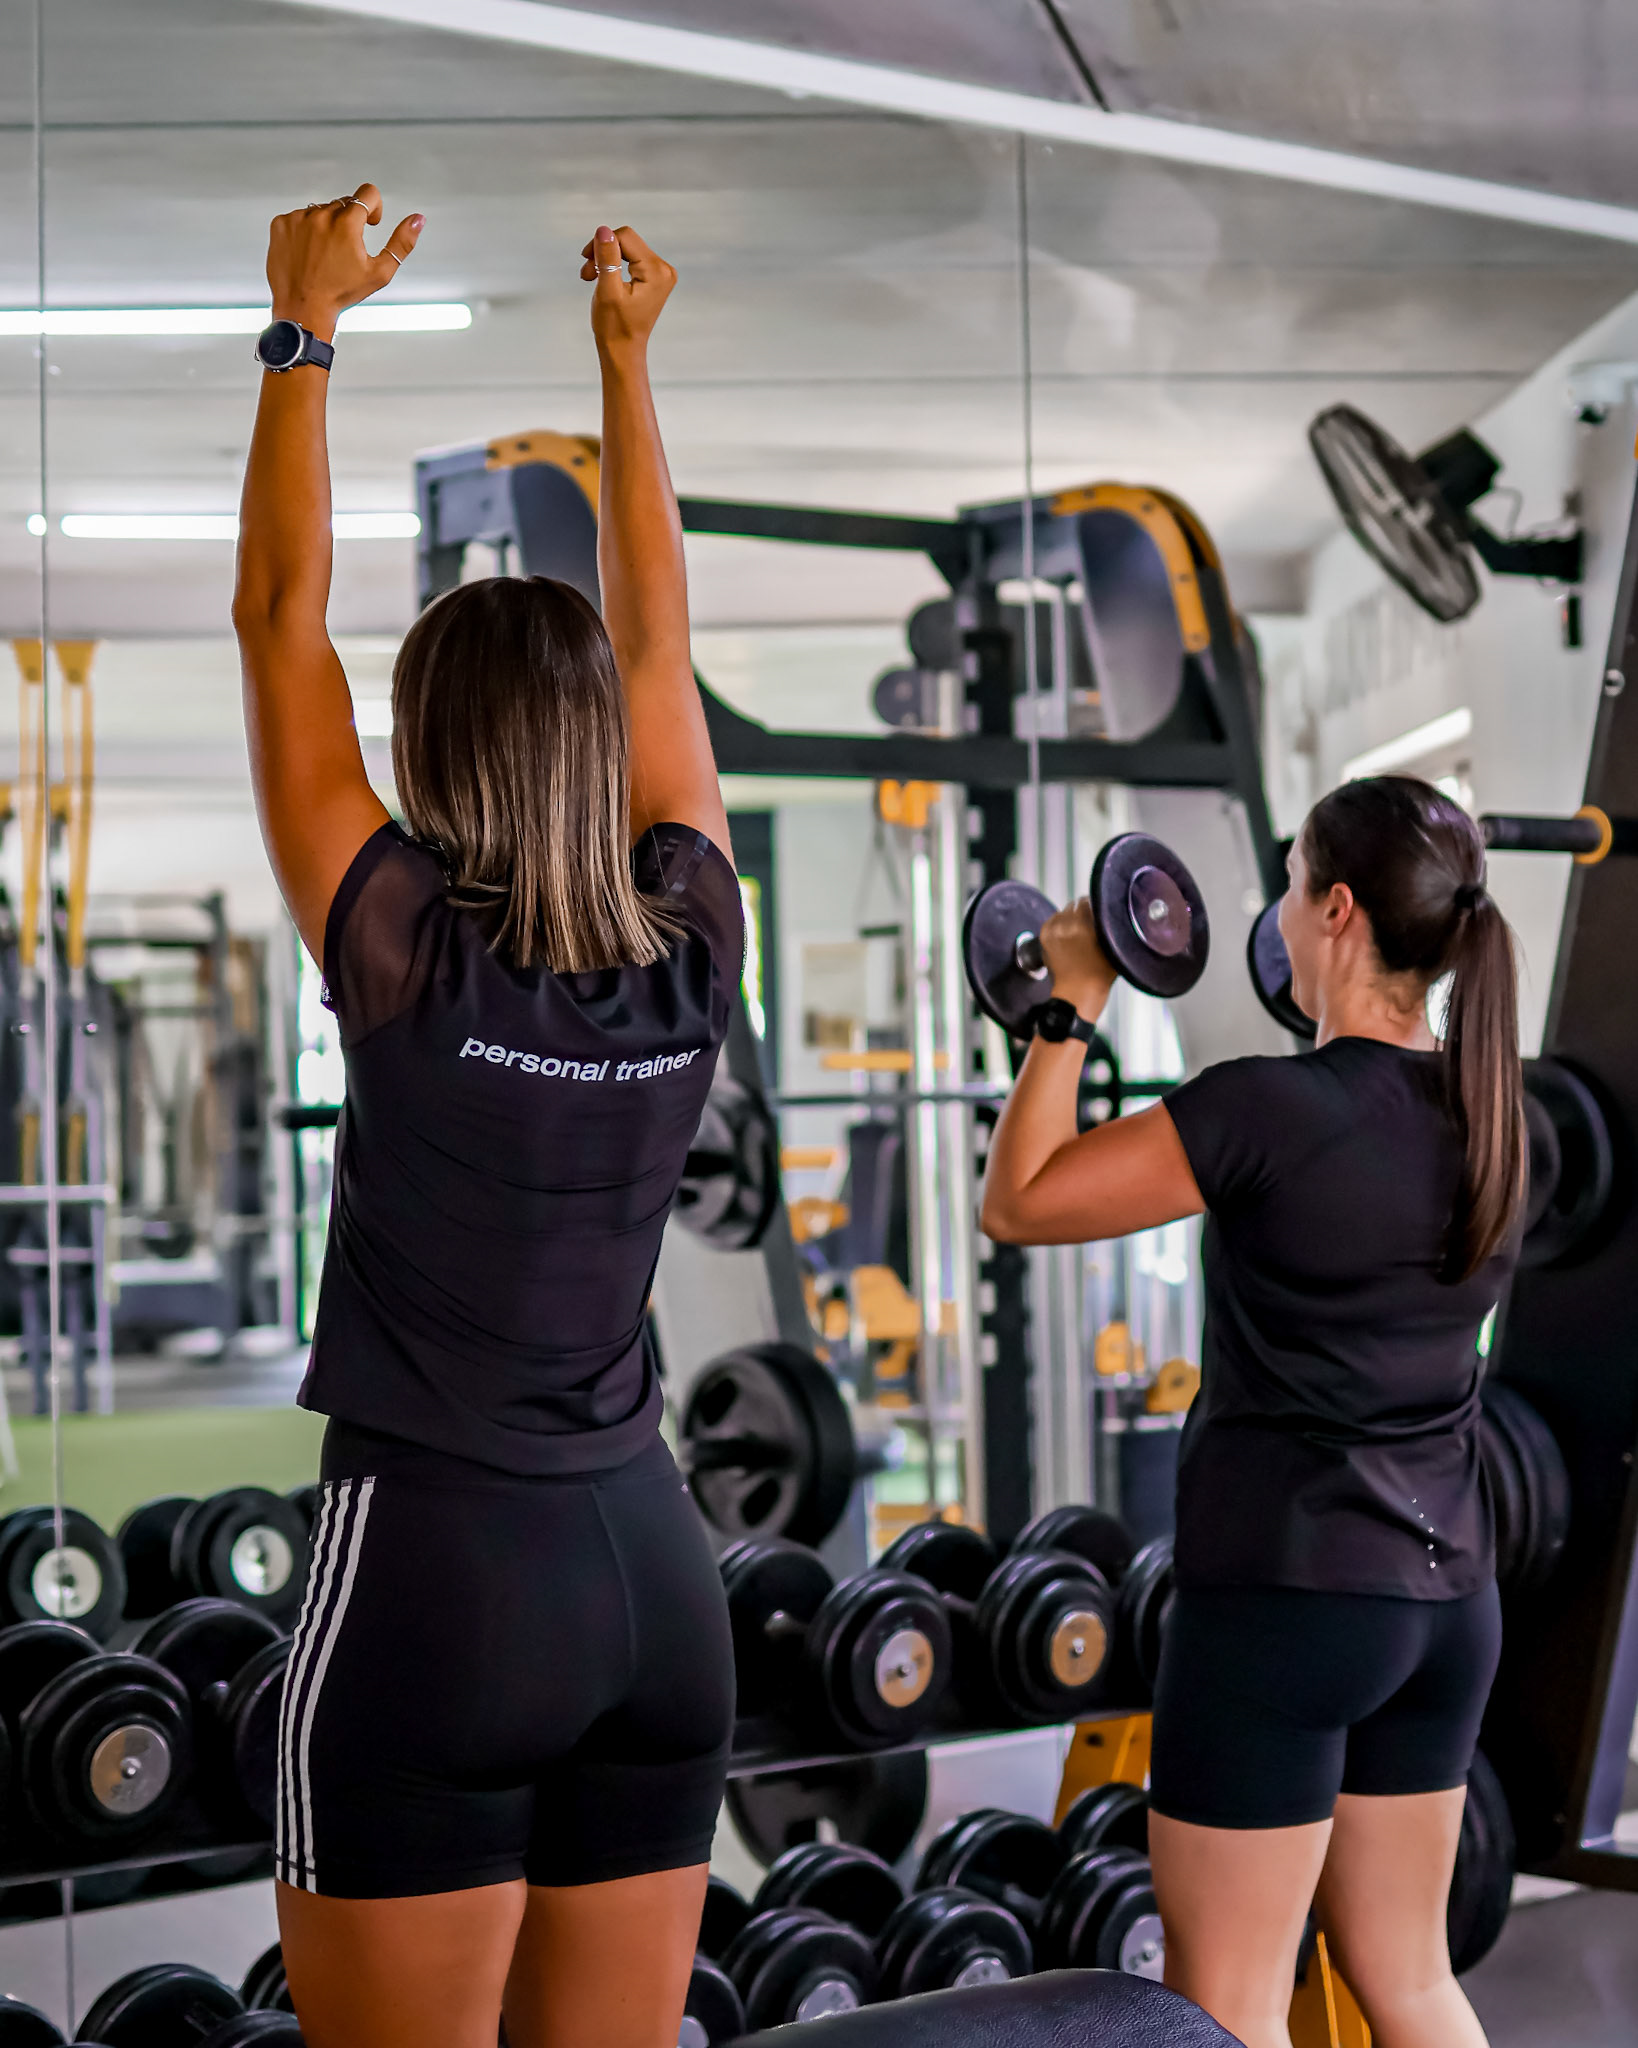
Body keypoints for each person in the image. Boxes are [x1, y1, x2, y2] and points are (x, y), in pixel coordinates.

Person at [232, 185, 739, 2048]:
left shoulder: (401, 951)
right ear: (600, 749)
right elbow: (660, 655)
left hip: (438, 1580)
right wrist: (625, 364)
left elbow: (278, 620)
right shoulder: (689, 950)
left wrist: (303, 334)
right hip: (652, 1583)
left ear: (426, 752)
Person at [981, 777, 1523, 2048]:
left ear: (1335, 910)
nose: (1275, 911)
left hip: (1286, 1603)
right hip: (1448, 1602)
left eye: (1287, 883)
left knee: (1230, 2001)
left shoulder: (1265, 1109)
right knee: (1412, 1977)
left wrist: (1072, 997)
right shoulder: (1502, 1115)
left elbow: (1022, 1198)